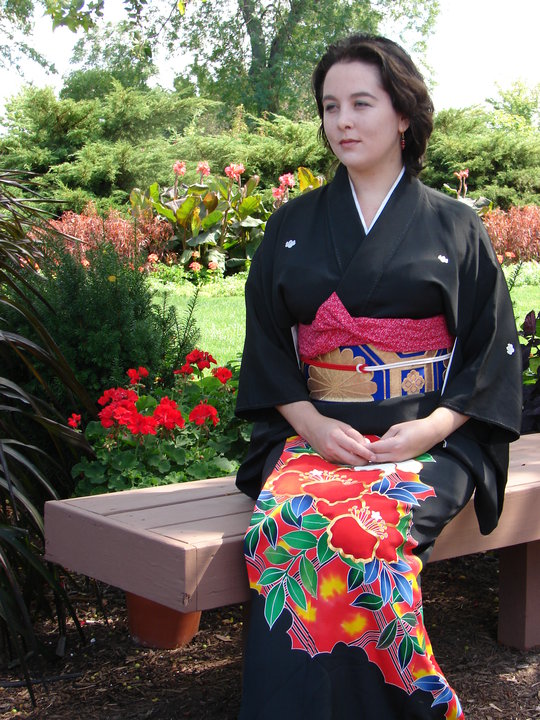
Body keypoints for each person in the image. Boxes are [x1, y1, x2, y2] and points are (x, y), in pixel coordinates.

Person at [234, 34, 522, 720]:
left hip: (427, 438)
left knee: (365, 536)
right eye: (331, 106)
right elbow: (268, 343)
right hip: (316, 437)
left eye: (361, 103)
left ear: (403, 115)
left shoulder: (455, 225)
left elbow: (489, 347)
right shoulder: (293, 225)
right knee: (290, 531)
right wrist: (310, 425)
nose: (343, 121)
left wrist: (432, 426)